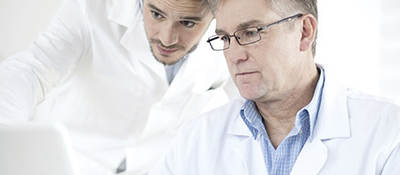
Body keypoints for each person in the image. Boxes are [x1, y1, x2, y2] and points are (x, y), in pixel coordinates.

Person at [149, 0, 400, 174]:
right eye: (225, 38)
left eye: (250, 32)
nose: (234, 55)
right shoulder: (197, 139)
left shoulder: (388, 133)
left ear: (304, 32)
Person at [0, 0, 237, 174]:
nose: (167, 38)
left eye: (188, 23)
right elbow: (31, 69)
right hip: (73, 163)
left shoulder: (231, 35)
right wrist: (7, 137)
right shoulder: (92, 9)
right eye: (156, 14)